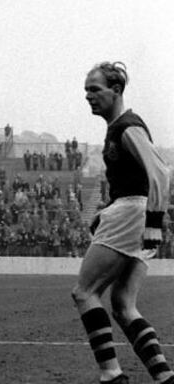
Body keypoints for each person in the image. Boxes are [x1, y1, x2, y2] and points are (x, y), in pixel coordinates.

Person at [72, 61, 174, 384]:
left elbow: (161, 173)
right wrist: (107, 209)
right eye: (86, 90)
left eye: (95, 89)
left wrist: (153, 222)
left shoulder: (127, 126)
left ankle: (112, 375)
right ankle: (164, 376)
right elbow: (137, 179)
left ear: (116, 90)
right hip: (133, 212)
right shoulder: (118, 127)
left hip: (133, 214)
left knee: (84, 292)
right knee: (123, 304)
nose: (88, 96)